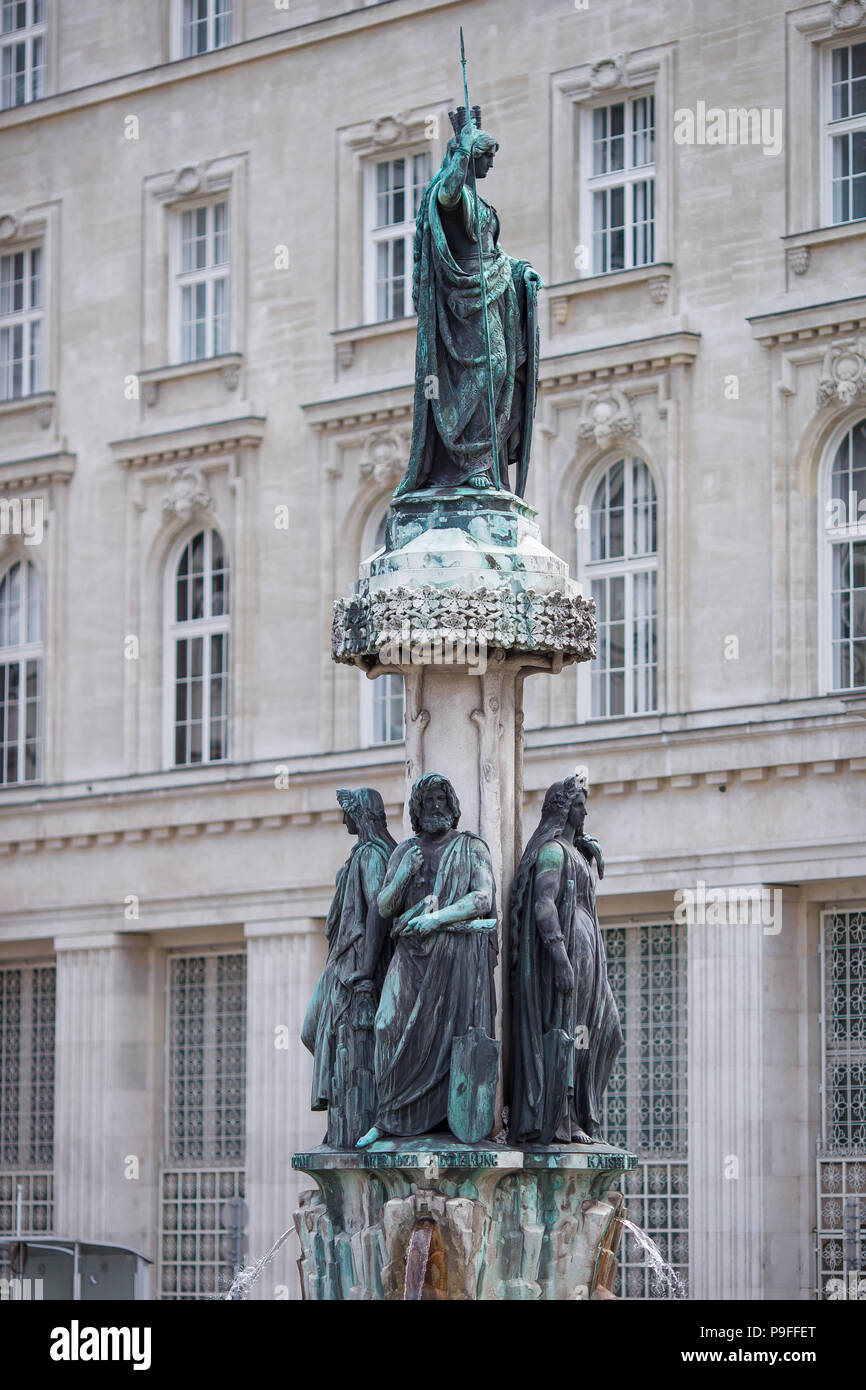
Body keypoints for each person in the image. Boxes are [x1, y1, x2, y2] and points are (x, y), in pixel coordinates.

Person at [393, 106, 542, 498]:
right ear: (470, 155)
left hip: (493, 290)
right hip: (465, 300)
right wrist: (461, 148)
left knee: (501, 368)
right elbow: (445, 195)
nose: (490, 165)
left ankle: (485, 458)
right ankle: (469, 457)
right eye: (485, 157)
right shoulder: (453, 194)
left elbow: (494, 252)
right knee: (489, 364)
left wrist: (520, 271)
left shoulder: (481, 204)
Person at [356, 773, 498, 1145]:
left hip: (452, 955)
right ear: (416, 810)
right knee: (386, 1024)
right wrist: (403, 876)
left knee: (450, 1035)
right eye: (428, 801)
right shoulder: (404, 852)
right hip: (410, 952)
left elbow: (483, 898)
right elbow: (384, 907)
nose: (436, 807)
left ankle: (449, 1119)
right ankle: (388, 1115)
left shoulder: (471, 848)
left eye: (441, 800)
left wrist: (436, 918)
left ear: (452, 807)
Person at [509, 777, 622, 1144]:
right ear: (561, 808)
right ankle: (564, 1116)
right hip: (569, 952)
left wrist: (586, 850)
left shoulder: (572, 852)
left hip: (590, 955)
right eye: (578, 804)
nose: (585, 811)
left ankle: (583, 1111)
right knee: (571, 1033)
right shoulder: (553, 852)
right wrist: (559, 959)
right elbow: (544, 904)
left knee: (609, 1031)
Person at [301, 787, 395, 1144]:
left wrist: (366, 972)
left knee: (320, 1032)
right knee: (316, 1032)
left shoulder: (372, 855)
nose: (343, 819)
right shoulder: (364, 853)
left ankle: (354, 1117)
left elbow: (377, 911)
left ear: (362, 815)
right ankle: (344, 1111)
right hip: (342, 958)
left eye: (348, 812)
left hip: (353, 962)